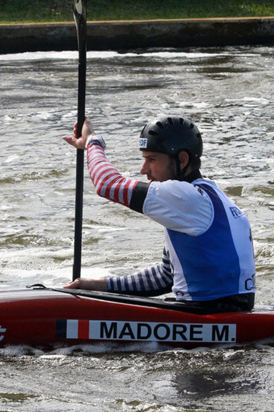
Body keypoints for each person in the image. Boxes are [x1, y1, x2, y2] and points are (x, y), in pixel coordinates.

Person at [62, 116, 256, 312]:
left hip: (211, 313)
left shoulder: (186, 198)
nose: (143, 169)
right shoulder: (209, 196)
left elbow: (108, 185)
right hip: (221, 310)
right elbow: (166, 277)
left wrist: (93, 141)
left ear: (182, 159)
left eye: (152, 159)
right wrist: (98, 287)